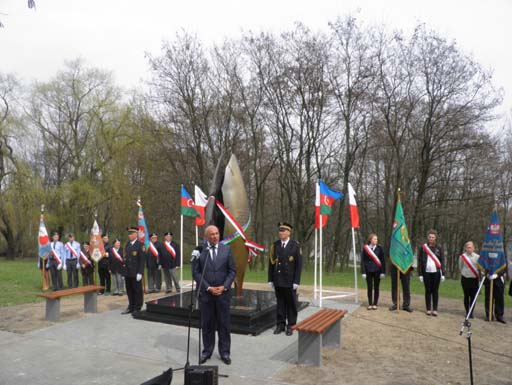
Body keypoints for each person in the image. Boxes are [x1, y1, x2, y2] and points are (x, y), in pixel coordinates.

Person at [192, 225, 236, 365]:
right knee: (207, 324)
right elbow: (196, 272)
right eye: (211, 234)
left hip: (223, 294)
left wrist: (225, 286)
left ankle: (225, 353)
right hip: (207, 295)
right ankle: (207, 351)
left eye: (217, 233)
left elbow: (232, 271)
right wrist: (208, 287)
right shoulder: (200, 251)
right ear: (206, 236)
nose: (215, 236)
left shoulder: (226, 249)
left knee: (224, 324)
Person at [268, 222, 303, 336]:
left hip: (290, 280)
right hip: (278, 279)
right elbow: (271, 263)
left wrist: (296, 281)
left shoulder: (295, 245)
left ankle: (291, 325)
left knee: (291, 304)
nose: (281, 233)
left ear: (289, 232)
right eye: (280, 231)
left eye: (283, 231)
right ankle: (280, 324)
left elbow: (299, 265)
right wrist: (270, 279)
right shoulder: (275, 245)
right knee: (280, 303)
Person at [417, 229, 445, 316]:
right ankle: (428, 309)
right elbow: (420, 261)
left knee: (435, 290)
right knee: (428, 290)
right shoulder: (423, 248)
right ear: (427, 237)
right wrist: (420, 274)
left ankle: (435, 309)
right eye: (430, 237)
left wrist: (443, 273)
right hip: (426, 272)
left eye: (433, 237)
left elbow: (442, 261)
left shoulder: (439, 248)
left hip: (436, 272)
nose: (431, 238)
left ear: (435, 238)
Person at [122, 227, 145, 314]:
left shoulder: (140, 245)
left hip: (136, 272)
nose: (129, 235)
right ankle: (131, 306)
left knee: (137, 290)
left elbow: (142, 260)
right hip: (128, 272)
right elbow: (124, 259)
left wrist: (140, 272)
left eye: (131, 233)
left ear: (136, 234)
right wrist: (123, 272)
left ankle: (137, 307)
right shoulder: (127, 245)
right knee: (129, 290)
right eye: (129, 233)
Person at [361, 233, 386, 310]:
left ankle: (375, 303)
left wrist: (383, 272)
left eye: (376, 239)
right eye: (374, 239)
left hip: (377, 271)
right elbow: (363, 261)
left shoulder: (379, 248)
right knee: (369, 287)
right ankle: (370, 303)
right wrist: (363, 272)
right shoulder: (366, 248)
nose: (376, 240)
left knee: (376, 287)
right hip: (368, 270)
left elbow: (382, 261)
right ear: (370, 239)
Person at [458, 241, 480, 318]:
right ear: (465, 248)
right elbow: (460, 267)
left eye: (470, 247)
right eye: (468, 247)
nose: (469, 249)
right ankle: (467, 311)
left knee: (473, 296)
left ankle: (471, 312)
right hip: (465, 278)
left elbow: (479, 268)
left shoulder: (477, 257)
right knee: (466, 296)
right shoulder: (462, 257)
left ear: (473, 248)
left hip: (474, 279)